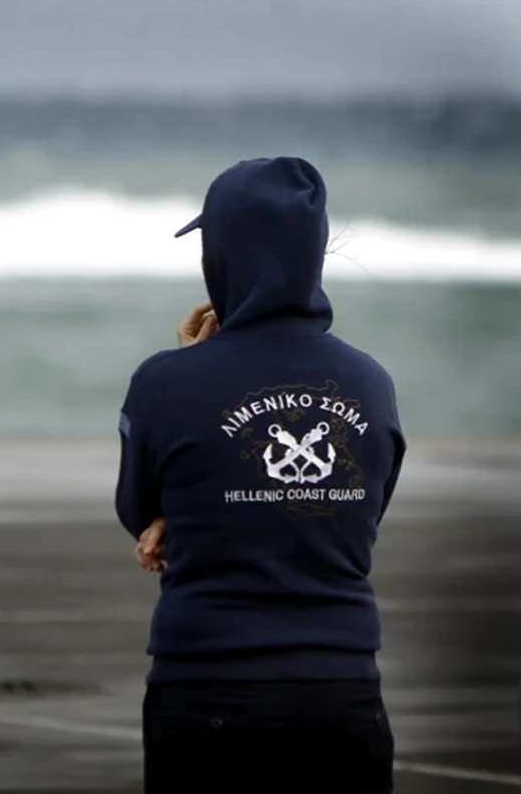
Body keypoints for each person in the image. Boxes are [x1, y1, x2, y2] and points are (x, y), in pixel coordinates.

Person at [114, 157, 407, 794]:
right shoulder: (372, 384)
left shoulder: (165, 380)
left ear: (220, 257)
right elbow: (357, 515)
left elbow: (136, 506)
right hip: (345, 692)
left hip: (205, 690)